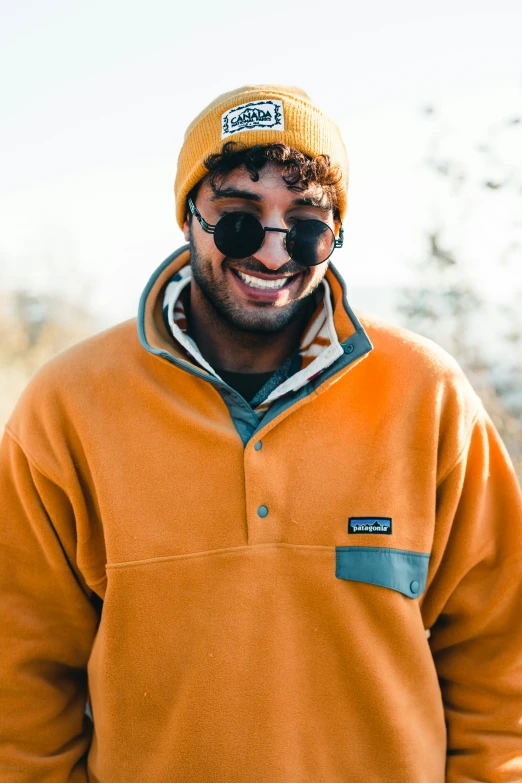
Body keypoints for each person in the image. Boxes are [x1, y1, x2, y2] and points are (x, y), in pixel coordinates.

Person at [0, 84, 521, 783]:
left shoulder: (431, 398)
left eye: (306, 225)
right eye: (240, 221)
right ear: (190, 217)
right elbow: (19, 686)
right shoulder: (64, 409)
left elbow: (501, 667)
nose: (274, 255)